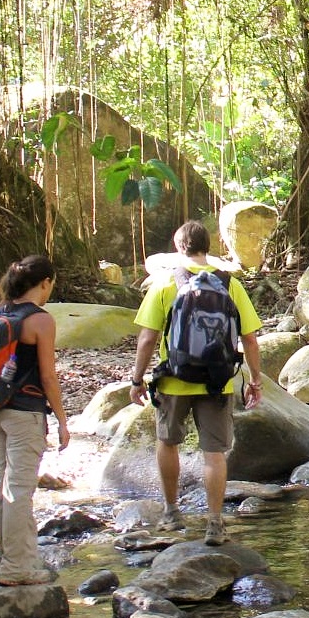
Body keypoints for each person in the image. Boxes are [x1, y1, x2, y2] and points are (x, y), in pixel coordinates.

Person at [128, 220, 264, 544]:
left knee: (168, 441)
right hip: (217, 382)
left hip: (174, 379)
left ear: (179, 247)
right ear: (209, 247)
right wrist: (255, 380)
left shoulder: (164, 284)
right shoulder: (229, 284)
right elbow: (250, 339)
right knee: (213, 453)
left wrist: (136, 379)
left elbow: (147, 338)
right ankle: (215, 523)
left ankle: (171, 512)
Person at [0, 255, 70, 586]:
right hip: (24, 414)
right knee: (18, 488)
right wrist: (62, 419)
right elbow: (48, 377)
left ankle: (5, 557)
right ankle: (17, 568)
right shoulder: (40, 321)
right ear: (45, 283)